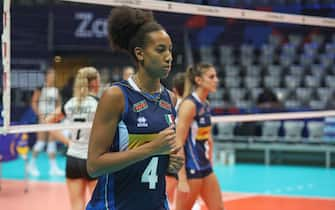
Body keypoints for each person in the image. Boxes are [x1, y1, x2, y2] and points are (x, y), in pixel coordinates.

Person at [86, 6, 183, 210]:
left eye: (170, 49)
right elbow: (94, 166)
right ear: (140, 54)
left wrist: (170, 161)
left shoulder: (170, 99)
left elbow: (159, 158)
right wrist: (152, 148)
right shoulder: (116, 96)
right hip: (114, 205)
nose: (169, 57)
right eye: (160, 50)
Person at [46, 67, 100, 210]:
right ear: (94, 82)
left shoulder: (70, 103)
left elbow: (47, 122)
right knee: (99, 205)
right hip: (92, 160)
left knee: (76, 205)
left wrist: (68, 142)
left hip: (73, 158)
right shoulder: (98, 103)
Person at [175, 64, 224, 210]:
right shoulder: (189, 105)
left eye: (215, 76)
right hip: (191, 169)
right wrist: (182, 178)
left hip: (205, 166)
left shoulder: (205, 104)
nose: (216, 80)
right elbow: (178, 143)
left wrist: (210, 156)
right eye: (211, 77)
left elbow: (205, 136)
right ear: (198, 80)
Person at [27, 68, 64, 177]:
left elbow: (59, 105)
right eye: (51, 75)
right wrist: (41, 116)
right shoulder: (40, 88)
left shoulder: (56, 90)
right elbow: (33, 103)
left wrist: (57, 116)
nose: (53, 77)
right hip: (43, 119)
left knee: (52, 143)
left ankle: (53, 168)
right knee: (41, 142)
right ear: (46, 76)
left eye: (54, 75)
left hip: (53, 119)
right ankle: (31, 165)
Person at [166, 72, 185, 208]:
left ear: (175, 90)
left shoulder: (171, 106)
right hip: (181, 155)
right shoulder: (191, 106)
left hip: (173, 153)